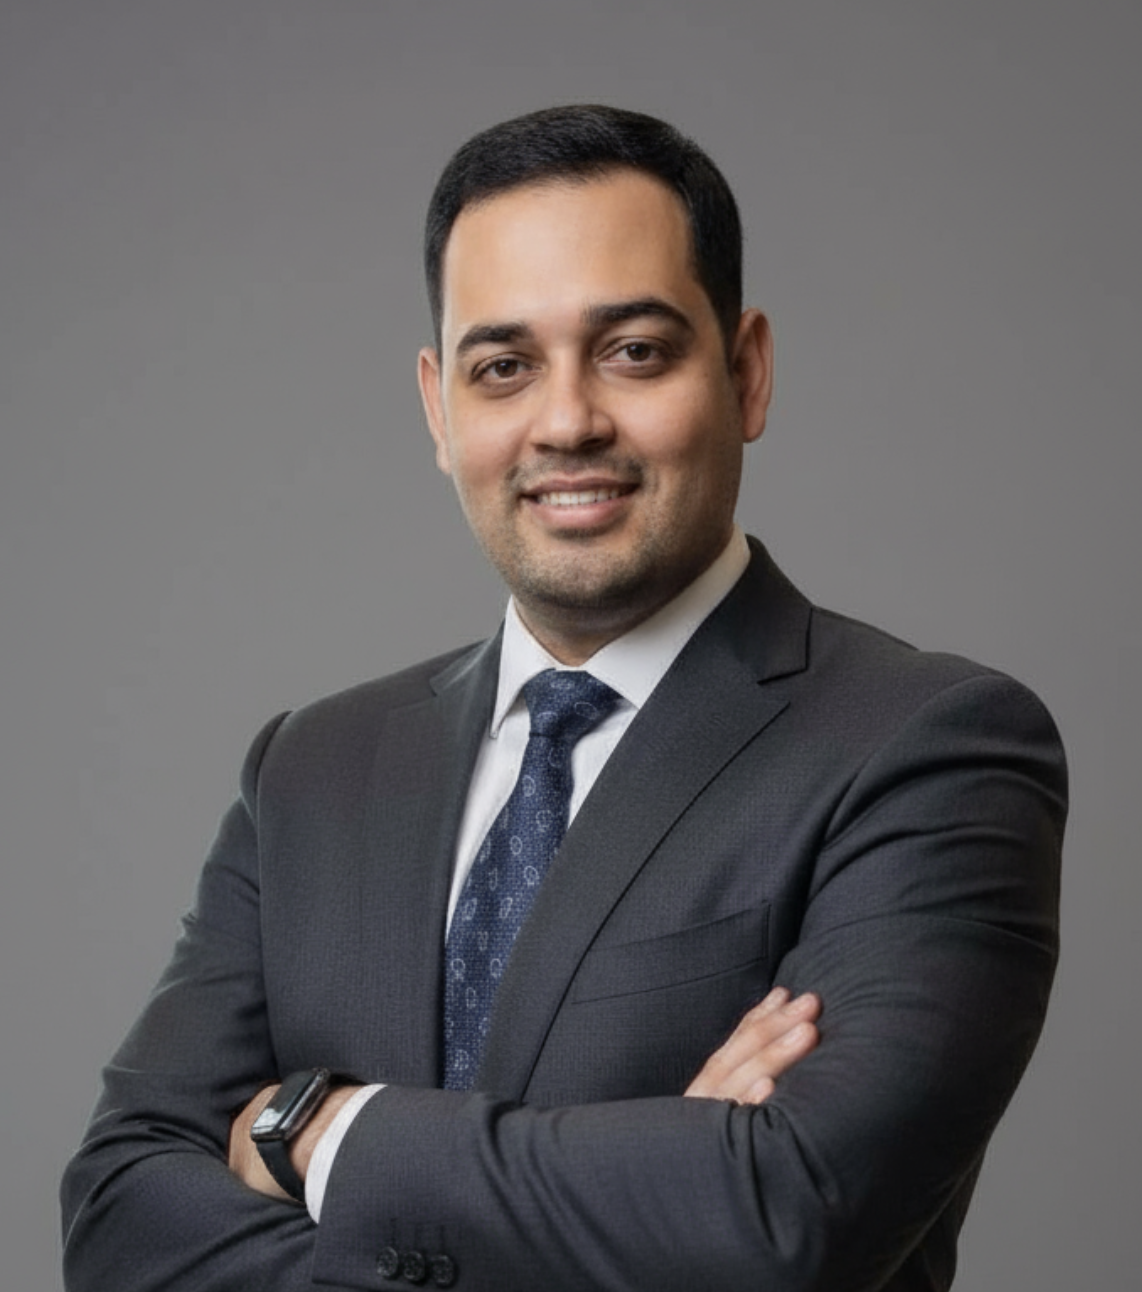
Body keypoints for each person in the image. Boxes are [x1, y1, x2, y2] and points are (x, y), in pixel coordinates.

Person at [61, 105, 1066, 1292]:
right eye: (503, 367)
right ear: (440, 410)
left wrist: (320, 1132)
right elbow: (119, 1211)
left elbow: (781, 1220)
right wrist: (643, 1193)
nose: (566, 420)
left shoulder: (925, 746)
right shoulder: (312, 769)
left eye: (633, 350)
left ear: (744, 372)